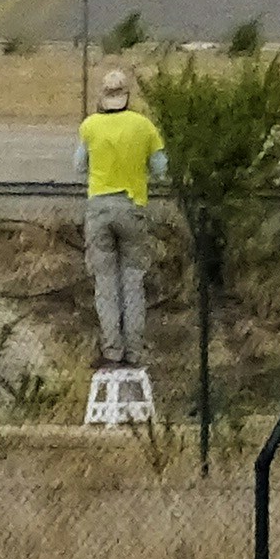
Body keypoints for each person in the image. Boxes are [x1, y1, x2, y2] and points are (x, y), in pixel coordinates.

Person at [78, 66, 163, 369]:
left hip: (99, 207)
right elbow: (161, 167)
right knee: (132, 281)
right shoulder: (144, 126)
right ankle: (135, 350)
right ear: (128, 97)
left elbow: (78, 166)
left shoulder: (90, 126)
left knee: (105, 283)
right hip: (133, 207)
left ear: (103, 97)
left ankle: (112, 349)